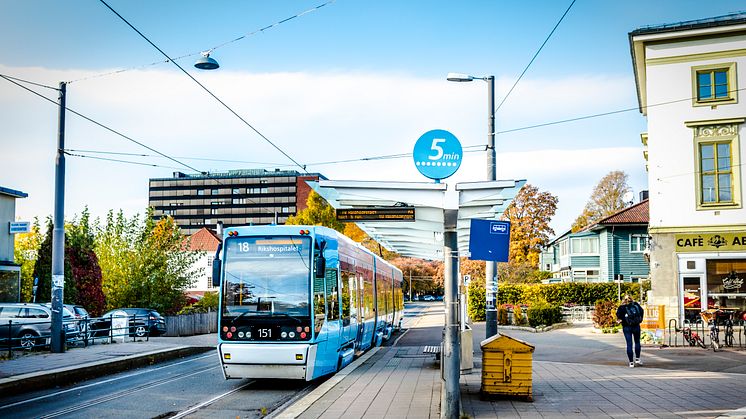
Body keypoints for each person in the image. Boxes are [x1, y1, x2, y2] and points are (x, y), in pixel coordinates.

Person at [617, 294, 644, 368]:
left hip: (626, 327)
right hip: (636, 326)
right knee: (637, 342)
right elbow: (642, 311)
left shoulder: (621, 307)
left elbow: (618, 317)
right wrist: (640, 320)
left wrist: (620, 320)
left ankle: (631, 362)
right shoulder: (636, 305)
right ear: (631, 299)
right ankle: (637, 359)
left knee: (629, 344)